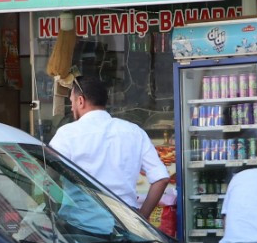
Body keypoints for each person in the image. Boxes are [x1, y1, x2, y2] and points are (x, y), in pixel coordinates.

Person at [49, 76, 169, 220]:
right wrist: (142, 217)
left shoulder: (67, 134)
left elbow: (49, 175)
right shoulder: (134, 132)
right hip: (127, 223)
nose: (72, 107)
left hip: (81, 223)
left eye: (72, 102)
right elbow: (161, 178)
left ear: (80, 101)